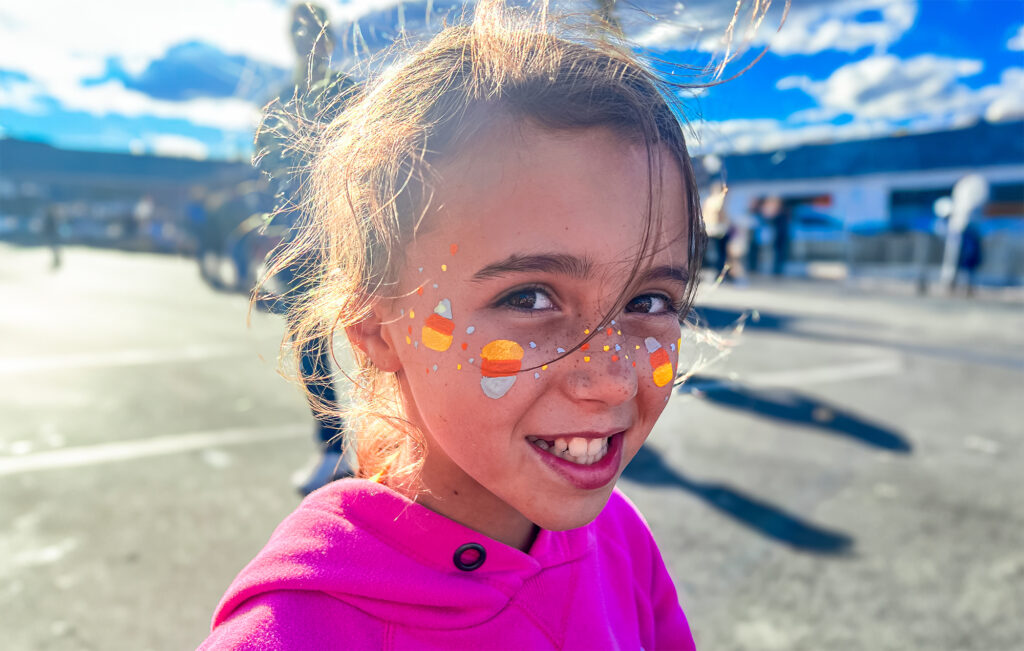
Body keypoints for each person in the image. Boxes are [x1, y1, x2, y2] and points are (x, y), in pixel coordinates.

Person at [201, 1, 720, 647]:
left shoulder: (619, 536)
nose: (613, 381)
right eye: (530, 297)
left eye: (649, 301)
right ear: (372, 323)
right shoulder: (297, 633)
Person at [256, 2, 360, 494]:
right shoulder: (278, 100)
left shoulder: (348, 92)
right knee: (311, 348)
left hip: (349, 233)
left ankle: (411, 439)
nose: (306, 36)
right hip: (297, 240)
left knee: (384, 338)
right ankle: (334, 448)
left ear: (330, 37)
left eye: (315, 27)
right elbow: (270, 177)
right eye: (297, 27)